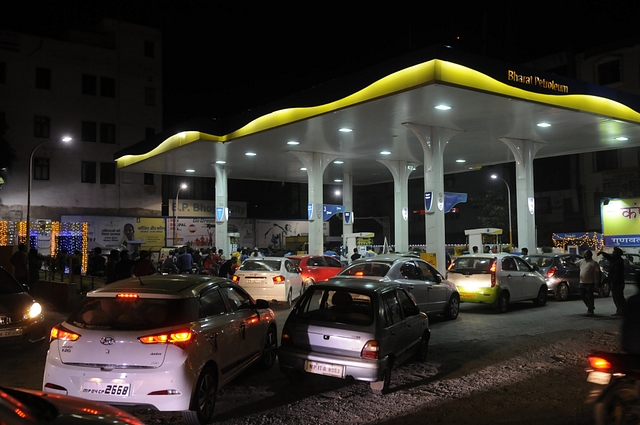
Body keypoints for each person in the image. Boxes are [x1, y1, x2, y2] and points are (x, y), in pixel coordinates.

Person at [599, 247, 626, 316]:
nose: (613, 253)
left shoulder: (618, 261)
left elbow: (616, 273)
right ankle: (621, 310)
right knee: (617, 297)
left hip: (617, 282)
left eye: (614, 252)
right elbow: (609, 257)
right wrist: (602, 253)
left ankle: (622, 310)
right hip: (616, 282)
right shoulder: (615, 260)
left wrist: (611, 280)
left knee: (618, 297)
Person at [574, 250, 600, 316]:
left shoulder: (594, 263)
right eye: (584, 254)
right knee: (582, 293)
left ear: (590, 255)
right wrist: (566, 261)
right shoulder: (581, 261)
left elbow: (598, 272)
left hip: (590, 282)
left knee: (590, 295)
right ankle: (590, 306)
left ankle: (590, 309)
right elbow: (574, 264)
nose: (585, 255)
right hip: (582, 282)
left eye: (586, 254)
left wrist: (598, 281)